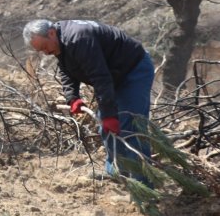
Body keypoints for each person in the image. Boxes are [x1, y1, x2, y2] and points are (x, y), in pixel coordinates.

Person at [23, 19, 154, 183]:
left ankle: (144, 185)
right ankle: (117, 173)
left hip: (134, 71)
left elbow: (100, 78)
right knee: (104, 127)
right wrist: (73, 98)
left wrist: (110, 115)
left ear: (51, 33)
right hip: (115, 76)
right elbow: (66, 70)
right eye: (40, 50)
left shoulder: (78, 38)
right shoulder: (59, 42)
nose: (45, 53)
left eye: (44, 47)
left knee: (130, 128)